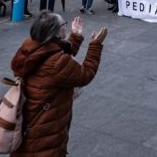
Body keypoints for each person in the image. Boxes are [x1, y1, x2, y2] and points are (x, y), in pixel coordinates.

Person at [9, 13, 106, 157]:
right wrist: (95, 46)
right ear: (55, 33)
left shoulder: (32, 46)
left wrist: (75, 36)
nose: (65, 27)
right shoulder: (56, 62)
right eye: (64, 25)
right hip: (46, 130)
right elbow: (84, 74)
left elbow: (59, 57)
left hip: (30, 122)